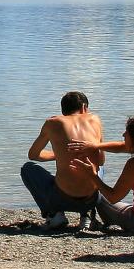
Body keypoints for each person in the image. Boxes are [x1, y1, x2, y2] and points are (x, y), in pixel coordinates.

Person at [21, 91, 107, 232]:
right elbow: (101, 160)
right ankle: (87, 215)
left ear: (63, 110)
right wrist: (62, 155)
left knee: (28, 169)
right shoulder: (95, 120)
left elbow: (33, 155)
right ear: (84, 107)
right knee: (99, 169)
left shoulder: (52, 123)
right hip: (91, 198)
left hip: (61, 198)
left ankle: (54, 215)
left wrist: (60, 155)